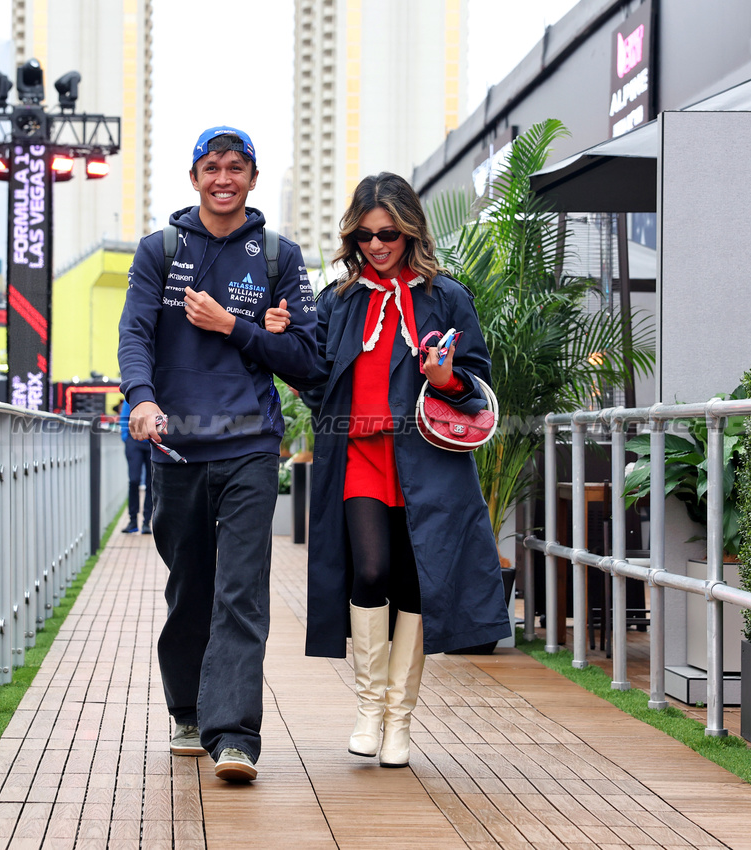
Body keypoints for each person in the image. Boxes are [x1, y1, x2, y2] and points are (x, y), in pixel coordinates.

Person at [117, 126, 318, 783]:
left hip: (250, 446)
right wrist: (141, 399)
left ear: (253, 178)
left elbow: (305, 359)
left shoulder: (279, 258)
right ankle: (188, 711)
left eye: (236, 167)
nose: (223, 178)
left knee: (240, 593)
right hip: (175, 447)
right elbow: (135, 333)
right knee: (190, 589)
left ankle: (233, 736)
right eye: (211, 167)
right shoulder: (160, 250)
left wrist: (235, 327)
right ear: (194, 177)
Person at [294, 172, 510, 768]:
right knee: (370, 571)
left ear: (410, 231)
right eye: (365, 235)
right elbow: (314, 381)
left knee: (416, 582)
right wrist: (282, 340)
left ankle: (399, 721)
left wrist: (447, 378)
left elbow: (478, 386)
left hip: (428, 461)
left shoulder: (448, 297)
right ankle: (369, 709)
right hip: (358, 456)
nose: (376, 245)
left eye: (387, 233)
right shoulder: (338, 300)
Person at [118, 399, 154, 534]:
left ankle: (146, 522)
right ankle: (132, 521)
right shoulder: (132, 395)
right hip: (133, 442)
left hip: (152, 443)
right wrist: (125, 437)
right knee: (134, 480)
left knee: (151, 483)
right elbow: (124, 417)